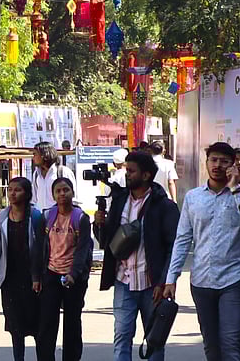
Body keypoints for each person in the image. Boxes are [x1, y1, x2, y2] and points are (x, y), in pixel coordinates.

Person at [161, 142, 240, 361]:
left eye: (224, 161)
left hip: (235, 280)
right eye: (213, 160)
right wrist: (171, 278)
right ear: (206, 163)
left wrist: (236, 189)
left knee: (231, 344)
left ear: (234, 166)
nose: (218, 165)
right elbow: (182, 240)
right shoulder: (193, 197)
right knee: (212, 346)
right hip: (201, 282)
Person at [95, 151, 179, 361]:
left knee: (155, 340)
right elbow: (106, 241)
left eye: (131, 171)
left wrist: (165, 281)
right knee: (122, 337)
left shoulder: (164, 206)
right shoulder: (119, 200)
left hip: (153, 285)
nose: (127, 175)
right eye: (126, 170)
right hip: (124, 281)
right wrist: (99, 224)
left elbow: (174, 246)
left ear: (146, 175)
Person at [32, 176, 92, 361]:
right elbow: (38, 247)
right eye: (58, 191)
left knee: (72, 323)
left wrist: (74, 274)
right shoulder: (47, 217)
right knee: (47, 323)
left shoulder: (80, 218)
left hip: (74, 278)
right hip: (51, 274)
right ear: (53, 195)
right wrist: (36, 277)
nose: (62, 194)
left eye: (66, 190)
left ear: (72, 192)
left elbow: (83, 250)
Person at [0, 177, 43, 361]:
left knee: (37, 326)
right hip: (10, 280)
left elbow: (42, 249)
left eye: (17, 190)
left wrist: (38, 276)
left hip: (32, 279)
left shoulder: (36, 217)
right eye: (10, 189)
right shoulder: (3, 217)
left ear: (27, 194)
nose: (12, 193)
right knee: (15, 327)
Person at [31, 142, 75, 213]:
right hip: (41, 217)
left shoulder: (63, 172)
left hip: (59, 217)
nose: (33, 158)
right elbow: (34, 199)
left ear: (44, 155)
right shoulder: (36, 174)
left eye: (35, 154)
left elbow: (73, 197)